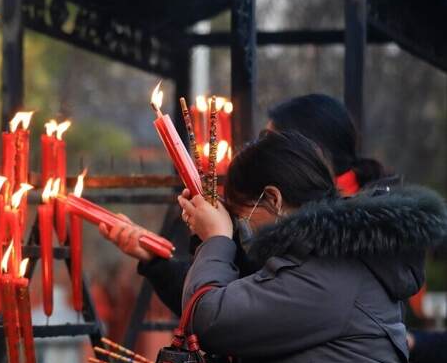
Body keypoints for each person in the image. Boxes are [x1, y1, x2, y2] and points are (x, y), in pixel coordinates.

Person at [102, 131, 447, 363]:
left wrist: (216, 240)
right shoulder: (326, 261)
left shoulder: (329, 271)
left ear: (273, 198)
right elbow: (243, 303)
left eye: (241, 216)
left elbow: (213, 317)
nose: (244, 231)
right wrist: (166, 261)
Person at [137, 93, 391, 314]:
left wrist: (218, 238)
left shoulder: (332, 253)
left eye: (273, 145)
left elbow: (216, 316)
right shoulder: (316, 235)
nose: (263, 152)